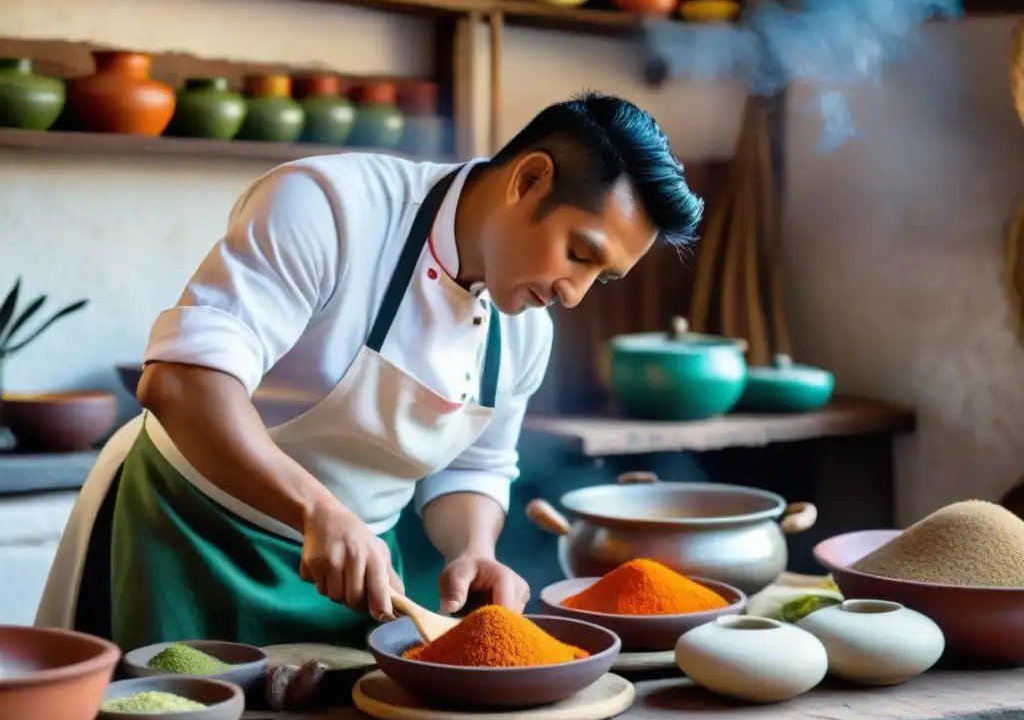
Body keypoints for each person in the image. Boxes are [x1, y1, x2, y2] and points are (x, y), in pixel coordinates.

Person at [35, 92, 704, 650]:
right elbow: (180, 382)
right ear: (528, 180)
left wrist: (472, 548)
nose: (575, 292)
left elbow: (471, 468)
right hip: (189, 539)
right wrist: (319, 513)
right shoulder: (329, 208)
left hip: (360, 577)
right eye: (578, 255)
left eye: (603, 277)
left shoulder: (526, 331)